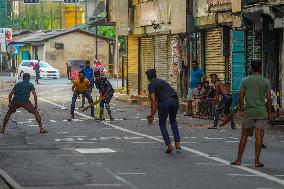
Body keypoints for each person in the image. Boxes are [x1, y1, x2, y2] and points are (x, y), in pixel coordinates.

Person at [231, 60, 272, 168]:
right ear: (260, 68)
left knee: (244, 135)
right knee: (258, 135)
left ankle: (239, 159)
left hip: (248, 111)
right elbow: (268, 98)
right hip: (261, 111)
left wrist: (241, 109)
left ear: (251, 68)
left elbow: (240, 97)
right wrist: (269, 112)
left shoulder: (245, 80)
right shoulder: (265, 81)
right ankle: (257, 161)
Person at [146, 69, 181, 153]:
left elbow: (154, 101)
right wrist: (153, 114)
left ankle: (169, 145)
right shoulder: (162, 81)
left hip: (164, 102)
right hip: (175, 100)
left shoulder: (151, 85)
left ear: (148, 77)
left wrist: (152, 115)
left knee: (162, 124)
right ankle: (177, 143)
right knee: (173, 121)